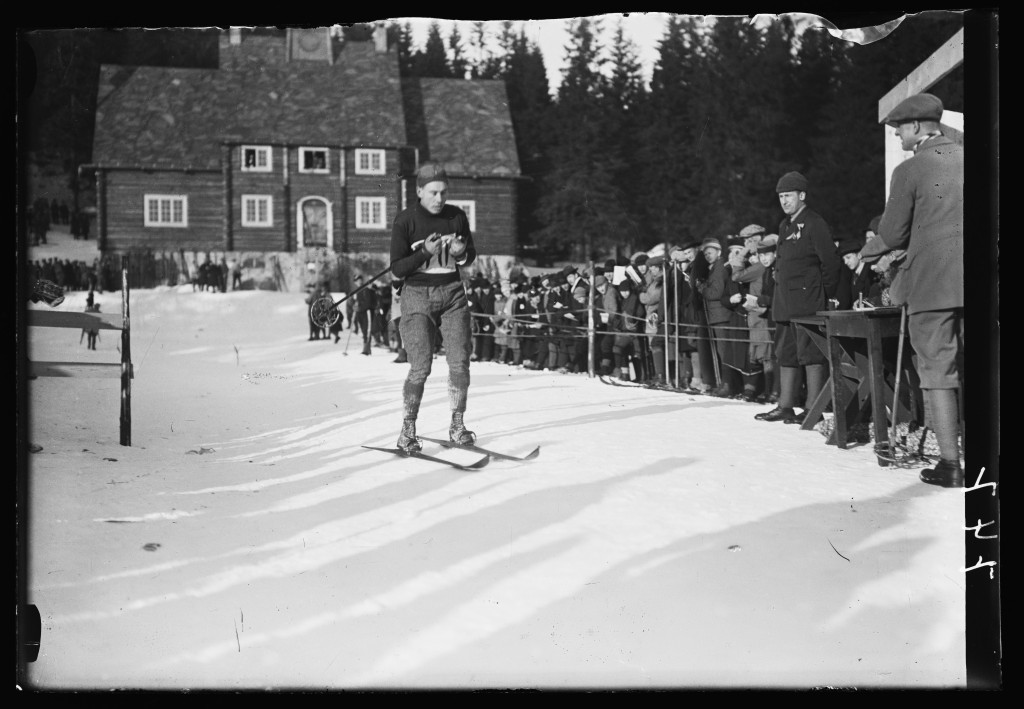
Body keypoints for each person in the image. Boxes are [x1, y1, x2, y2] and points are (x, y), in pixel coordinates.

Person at [859, 93, 964, 488]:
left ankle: (952, 464)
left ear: (917, 126)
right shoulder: (973, 156)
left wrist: (866, 253)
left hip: (932, 285)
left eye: (900, 128)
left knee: (937, 369)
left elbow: (891, 234)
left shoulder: (910, 170)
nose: (899, 136)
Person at [389, 163, 478, 453]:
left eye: (443, 192)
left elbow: (470, 256)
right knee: (420, 365)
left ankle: (457, 424)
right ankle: (408, 429)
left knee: (460, 361)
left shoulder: (457, 216)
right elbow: (397, 268)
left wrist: (461, 252)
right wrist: (424, 252)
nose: (439, 199)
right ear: (419, 191)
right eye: (432, 193)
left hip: (453, 293)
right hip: (416, 294)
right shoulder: (406, 221)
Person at [755, 171, 841, 425]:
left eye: (789, 196)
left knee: (811, 355)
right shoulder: (785, 225)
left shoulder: (814, 222)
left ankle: (813, 408)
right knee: (787, 354)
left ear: (802, 195)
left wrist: (823, 294)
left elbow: (831, 263)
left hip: (807, 303)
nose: (784, 201)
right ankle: (785, 405)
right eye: (781, 196)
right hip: (784, 303)